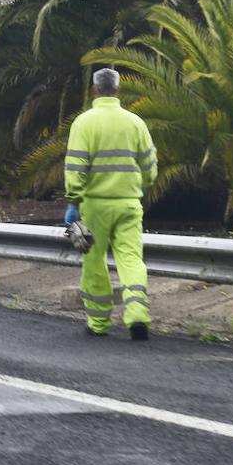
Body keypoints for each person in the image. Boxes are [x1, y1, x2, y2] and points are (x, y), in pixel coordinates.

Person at [63, 68, 157, 340]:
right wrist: (142, 185)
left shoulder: (84, 123)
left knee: (94, 262)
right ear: (118, 90)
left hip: (95, 206)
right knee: (131, 260)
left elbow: (76, 165)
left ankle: (98, 323)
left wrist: (73, 200)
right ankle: (138, 315)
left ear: (94, 90)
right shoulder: (135, 122)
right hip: (129, 204)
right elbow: (150, 165)